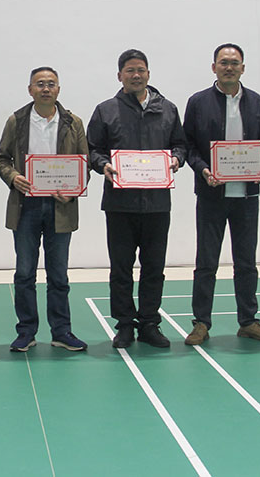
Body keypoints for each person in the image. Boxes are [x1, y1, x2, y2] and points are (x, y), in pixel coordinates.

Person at [87, 49, 186, 349]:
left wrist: (177, 159)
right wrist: (103, 164)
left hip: (157, 204)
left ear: (148, 74)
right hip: (120, 204)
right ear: (120, 76)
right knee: (121, 268)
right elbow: (92, 149)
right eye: (130, 70)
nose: (136, 75)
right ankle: (125, 325)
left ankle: (149, 323)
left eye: (141, 69)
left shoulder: (167, 109)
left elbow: (180, 145)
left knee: (154, 267)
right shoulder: (106, 110)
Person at [182, 43, 260, 346]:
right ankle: (201, 322)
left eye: (234, 63)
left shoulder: (256, 102)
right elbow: (188, 146)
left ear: (243, 68)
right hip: (211, 195)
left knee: (246, 262)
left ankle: (248, 321)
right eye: (223, 62)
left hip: (246, 197)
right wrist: (203, 170)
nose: (229, 67)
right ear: (214, 67)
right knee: (206, 262)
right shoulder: (198, 102)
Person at [0, 66, 90, 353]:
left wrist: (72, 191)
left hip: (61, 207)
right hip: (25, 205)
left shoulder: (74, 122)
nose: (46, 88)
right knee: (24, 273)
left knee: (58, 274)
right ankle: (26, 331)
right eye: (40, 84)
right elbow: (1, 159)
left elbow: (84, 164)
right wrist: (13, 177)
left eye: (51, 83)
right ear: (30, 90)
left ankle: (62, 331)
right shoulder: (16, 120)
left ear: (58, 89)